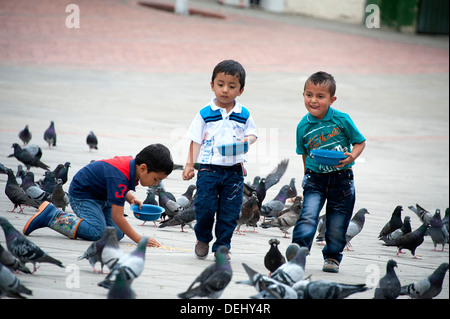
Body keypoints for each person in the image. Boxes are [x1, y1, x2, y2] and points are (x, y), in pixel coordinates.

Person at [23, 144, 173, 247]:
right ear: (143, 168)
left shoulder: (130, 165)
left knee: (116, 234)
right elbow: (118, 216)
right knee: (98, 232)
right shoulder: (119, 177)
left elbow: (112, 183)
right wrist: (139, 239)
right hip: (84, 195)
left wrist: (128, 196)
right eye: (156, 179)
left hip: (102, 196)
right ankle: (52, 216)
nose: (155, 184)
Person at [182, 60, 257, 260]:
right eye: (220, 84)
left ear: (240, 90)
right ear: (212, 85)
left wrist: (247, 140)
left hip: (234, 171)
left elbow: (252, 134)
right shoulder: (204, 113)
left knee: (230, 212)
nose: (225, 90)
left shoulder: (243, 114)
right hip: (208, 169)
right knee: (205, 207)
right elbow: (195, 140)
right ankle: (203, 238)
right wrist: (190, 165)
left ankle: (223, 245)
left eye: (232, 86)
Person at [292, 71, 366, 273]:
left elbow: (360, 142)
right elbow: (305, 154)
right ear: (303, 95)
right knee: (308, 214)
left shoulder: (342, 119)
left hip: (341, 179)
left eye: (320, 96)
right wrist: (306, 175)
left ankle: (332, 256)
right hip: (315, 178)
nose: (313, 100)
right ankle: (299, 249)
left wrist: (352, 156)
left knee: (337, 221)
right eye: (309, 95)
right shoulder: (303, 126)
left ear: (332, 99)